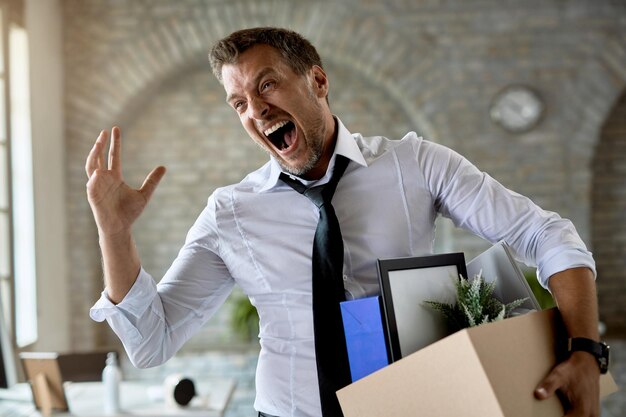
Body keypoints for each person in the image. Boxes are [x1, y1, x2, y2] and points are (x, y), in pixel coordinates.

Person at [87, 27, 603, 417]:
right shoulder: (230, 212)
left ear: (317, 80)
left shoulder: (415, 165)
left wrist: (584, 349)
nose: (256, 110)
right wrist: (115, 234)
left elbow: (547, 234)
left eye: (268, 85)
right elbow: (151, 344)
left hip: (410, 410)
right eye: (239, 103)